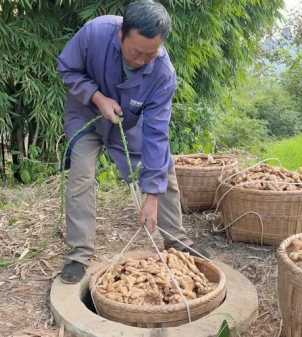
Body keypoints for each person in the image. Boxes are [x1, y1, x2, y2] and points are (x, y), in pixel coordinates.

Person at [57, 0, 210, 284]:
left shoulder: (163, 73)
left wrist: (151, 196)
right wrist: (97, 97)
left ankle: (176, 240)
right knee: (81, 175)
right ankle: (79, 255)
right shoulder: (95, 33)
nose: (142, 60)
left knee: (164, 169)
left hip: (129, 122)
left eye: (150, 54)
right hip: (87, 112)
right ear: (121, 35)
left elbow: (156, 135)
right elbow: (68, 69)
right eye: (136, 52)